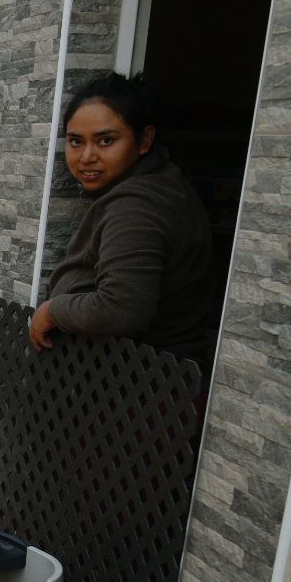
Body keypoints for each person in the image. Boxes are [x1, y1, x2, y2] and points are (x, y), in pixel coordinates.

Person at [29, 72, 215, 377]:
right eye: (76, 141)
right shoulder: (163, 186)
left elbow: (120, 308)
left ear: (144, 140)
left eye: (106, 140)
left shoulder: (137, 205)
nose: (87, 156)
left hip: (140, 390)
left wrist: (52, 311)